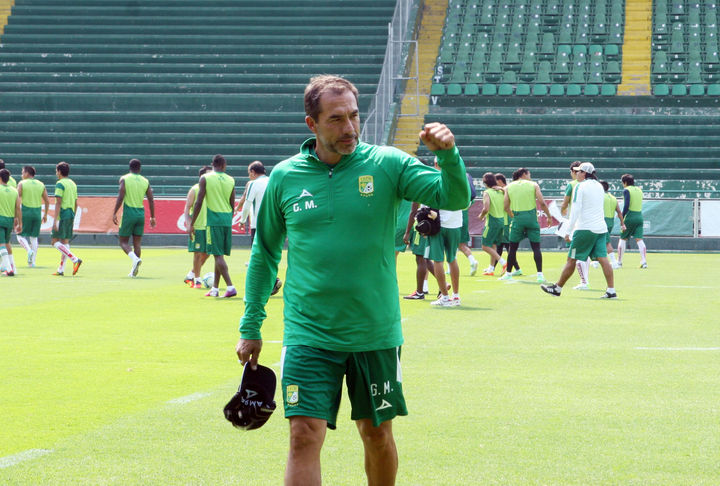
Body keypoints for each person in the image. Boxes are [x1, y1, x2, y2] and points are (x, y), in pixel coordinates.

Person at [236, 75, 470, 486]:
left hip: (374, 332)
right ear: (312, 124)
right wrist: (250, 325)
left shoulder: (388, 164)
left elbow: (454, 198)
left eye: (354, 116)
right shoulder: (285, 176)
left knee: (376, 434)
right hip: (308, 333)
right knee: (302, 435)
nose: (349, 128)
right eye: (336, 119)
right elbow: (265, 254)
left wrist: (448, 156)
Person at [541, 162, 617, 299]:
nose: (576, 173)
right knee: (603, 259)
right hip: (600, 228)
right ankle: (611, 290)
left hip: (584, 228)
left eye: (579, 171)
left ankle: (557, 288)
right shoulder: (599, 186)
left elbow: (575, 210)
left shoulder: (580, 186)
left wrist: (568, 231)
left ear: (584, 173)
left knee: (571, 259)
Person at [189, 154, 237, 298]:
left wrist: (192, 223)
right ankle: (215, 289)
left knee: (217, 255)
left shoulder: (205, 178)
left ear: (213, 164)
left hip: (214, 220)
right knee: (219, 254)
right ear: (224, 165)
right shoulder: (231, 179)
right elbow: (232, 202)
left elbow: (199, 202)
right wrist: (228, 218)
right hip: (227, 219)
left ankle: (230, 286)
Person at [499, 168, 550, 283]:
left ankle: (508, 273)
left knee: (513, 248)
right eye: (529, 174)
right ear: (524, 174)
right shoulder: (534, 185)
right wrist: (549, 216)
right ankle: (540, 275)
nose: (530, 176)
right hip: (532, 219)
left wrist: (514, 216)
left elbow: (505, 206)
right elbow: (542, 203)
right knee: (536, 248)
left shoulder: (509, 187)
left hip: (517, 219)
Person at [239, 160, 282, 295]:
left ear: (253, 172)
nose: (249, 176)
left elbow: (247, 203)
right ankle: (271, 282)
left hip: (258, 225)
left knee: (258, 256)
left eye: (249, 173)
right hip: (274, 224)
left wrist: (242, 220)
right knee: (269, 254)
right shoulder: (272, 181)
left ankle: (271, 282)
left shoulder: (253, 184)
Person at [112, 159, 156, 277]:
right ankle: (133, 271)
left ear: (129, 167)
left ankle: (134, 259)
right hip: (140, 214)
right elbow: (151, 199)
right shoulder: (145, 181)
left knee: (123, 241)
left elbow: (121, 196)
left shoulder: (125, 179)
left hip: (129, 213)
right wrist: (152, 216)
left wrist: (115, 212)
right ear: (140, 168)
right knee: (137, 243)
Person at [428, 159, 463, 307]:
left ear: (436, 164)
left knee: (438, 260)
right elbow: (467, 202)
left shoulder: (433, 178)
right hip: (455, 223)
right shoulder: (458, 179)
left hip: (438, 223)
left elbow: (426, 203)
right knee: (452, 259)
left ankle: (445, 297)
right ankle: (456, 295)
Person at [560, 161, 591, 289]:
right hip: (589, 221)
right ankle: (585, 279)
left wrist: (562, 211)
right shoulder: (591, 185)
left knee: (575, 253)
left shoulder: (572, 185)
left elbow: (565, 203)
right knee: (586, 253)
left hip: (577, 223)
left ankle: (584, 281)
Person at [50, 162, 82, 276]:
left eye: (56, 171)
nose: (56, 173)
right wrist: (73, 216)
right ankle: (61, 269)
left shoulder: (60, 184)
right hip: (71, 213)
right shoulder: (73, 184)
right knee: (65, 242)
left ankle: (75, 259)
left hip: (62, 214)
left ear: (59, 171)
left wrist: (55, 220)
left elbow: (58, 202)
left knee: (54, 242)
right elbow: (76, 203)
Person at [183, 165, 212, 288]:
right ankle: (197, 279)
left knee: (208, 253)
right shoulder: (194, 189)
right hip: (198, 226)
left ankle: (191, 275)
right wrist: (189, 224)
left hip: (209, 226)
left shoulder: (212, 190)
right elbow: (187, 208)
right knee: (198, 253)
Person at [16, 165, 50, 267]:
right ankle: (32, 263)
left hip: (26, 211)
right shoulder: (41, 184)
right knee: (34, 238)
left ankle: (28, 250)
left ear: (27, 173)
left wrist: (16, 216)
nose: (22, 175)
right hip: (37, 213)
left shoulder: (22, 183)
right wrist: (45, 214)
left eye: (22, 172)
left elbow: (17, 200)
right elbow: (47, 201)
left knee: (19, 235)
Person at [401, 202, 436, 299]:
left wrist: (407, 232)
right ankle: (443, 285)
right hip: (432, 226)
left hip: (422, 228)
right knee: (427, 259)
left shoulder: (419, 194)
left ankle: (419, 292)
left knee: (420, 259)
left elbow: (413, 212)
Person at [477, 172, 507, 276]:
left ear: (485, 183)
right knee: (493, 245)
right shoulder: (501, 191)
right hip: (501, 221)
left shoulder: (487, 192)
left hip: (492, 222)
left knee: (485, 246)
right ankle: (491, 269)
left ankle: (503, 262)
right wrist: (502, 189)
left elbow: (486, 208)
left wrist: (481, 215)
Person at [616, 173, 647, 268]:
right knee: (639, 239)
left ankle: (619, 262)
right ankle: (644, 262)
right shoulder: (639, 190)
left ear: (625, 182)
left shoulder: (626, 190)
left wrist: (622, 216)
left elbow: (627, 205)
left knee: (623, 238)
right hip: (639, 217)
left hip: (630, 217)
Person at [457, 171, 479, 275]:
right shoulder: (468, 199)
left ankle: (449, 268)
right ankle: (472, 260)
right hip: (464, 217)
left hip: (453, 217)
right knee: (461, 244)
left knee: (449, 244)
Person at [0, 169, 22, 276]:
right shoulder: (14, 191)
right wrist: (20, 223)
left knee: (1, 244)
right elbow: (18, 208)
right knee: (7, 243)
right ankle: (13, 267)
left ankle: (9, 269)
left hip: (0, 219)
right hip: (9, 220)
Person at [601, 180, 625, 269]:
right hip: (611, 222)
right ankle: (596, 261)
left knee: (606, 242)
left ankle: (614, 262)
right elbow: (619, 212)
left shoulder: (600, 196)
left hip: (602, 221)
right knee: (601, 241)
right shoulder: (613, 198)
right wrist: (622, 223)